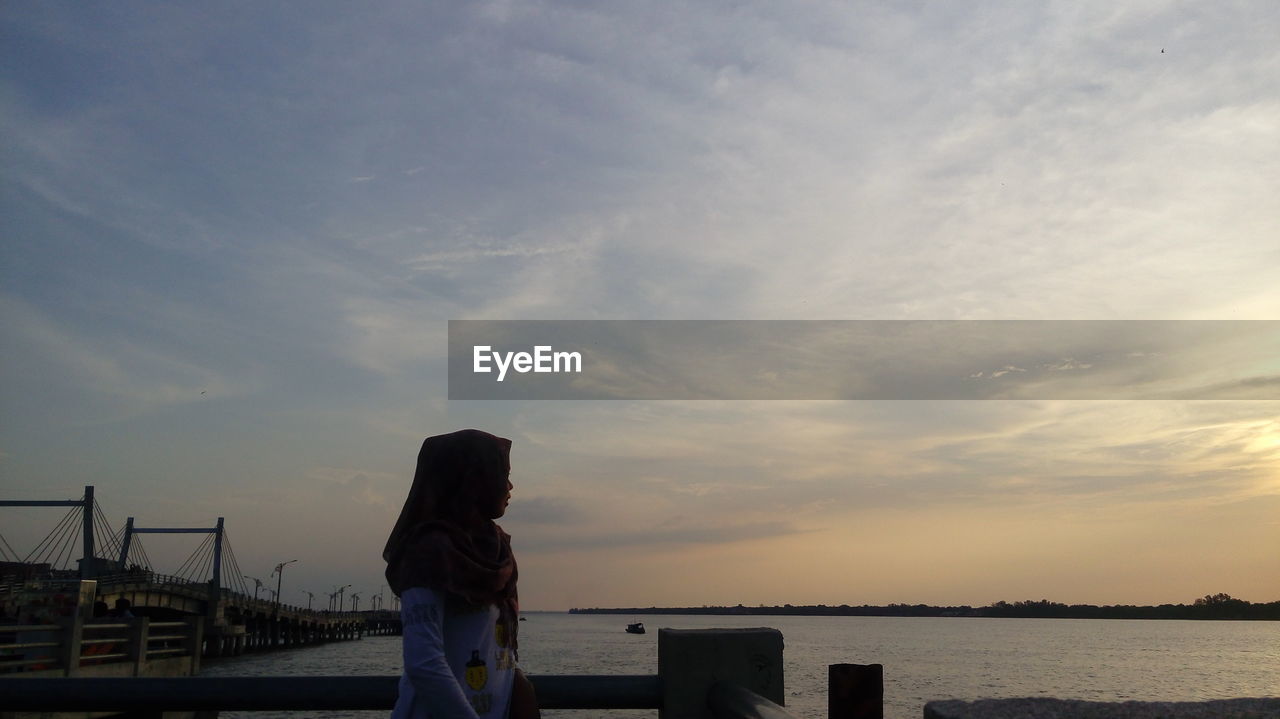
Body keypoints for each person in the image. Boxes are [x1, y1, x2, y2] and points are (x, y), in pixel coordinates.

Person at [384, 429, 539, 719]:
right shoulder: (429, 550)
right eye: (501, 473)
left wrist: (519, 686)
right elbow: (425, 665)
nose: (510, 485)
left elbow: (496, 649)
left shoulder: (497, 550)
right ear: (472, 478)